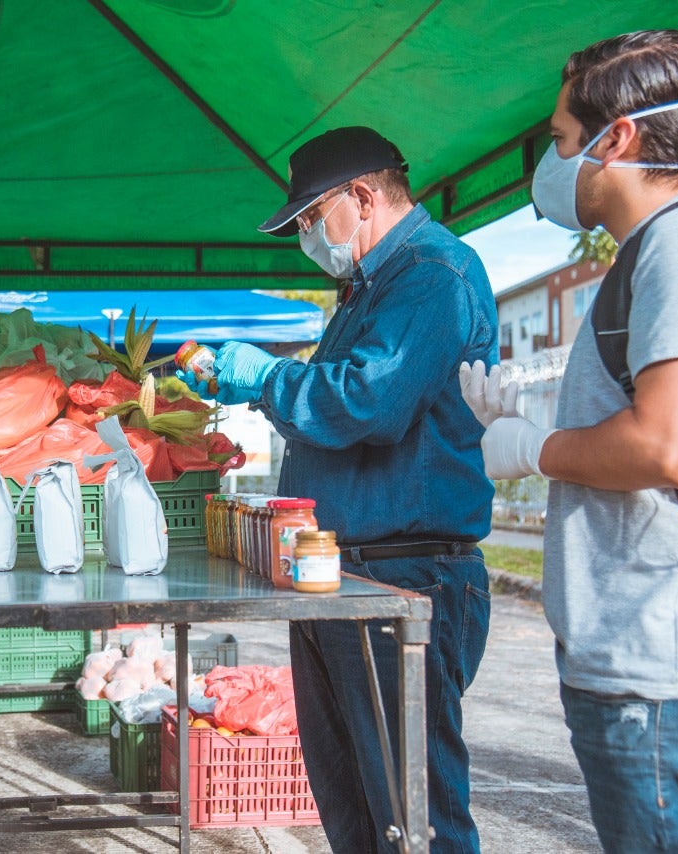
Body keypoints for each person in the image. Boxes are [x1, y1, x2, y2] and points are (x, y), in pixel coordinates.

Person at [467, 30, 678, 853]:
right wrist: (532, 425)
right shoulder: (657, 254)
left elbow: (674, 444)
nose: (558, 161)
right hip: (647, 670)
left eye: (564, 140)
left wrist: (537, 449)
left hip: (671, 676)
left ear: (618, 137)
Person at [180, 126, 498, 852]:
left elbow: (368, 403)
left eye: (309, 217)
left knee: (413, 814)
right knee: (352, 801)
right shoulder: (369, 288)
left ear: (362, 195)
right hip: (343, 573)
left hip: (406, 574)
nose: (305, 236)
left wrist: (266, 377)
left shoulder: (432, 274)